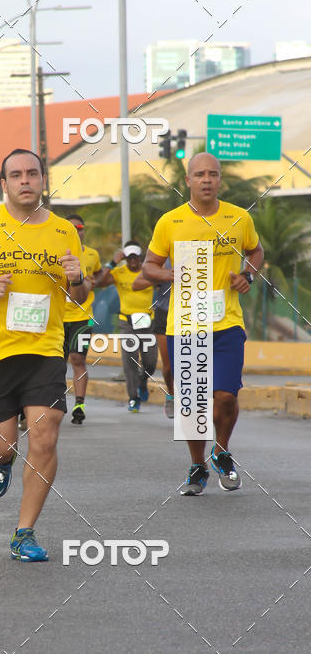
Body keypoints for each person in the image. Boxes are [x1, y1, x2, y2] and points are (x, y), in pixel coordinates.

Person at [0, 148, 86, 562]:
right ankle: (0, 460)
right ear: (4, 184)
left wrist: (78, 279)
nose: (26, 180)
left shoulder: (64, 231)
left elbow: (78, 295)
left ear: (43, 180)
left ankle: (24, 533)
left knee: (45, 433)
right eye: (17, 175)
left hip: (44, 348)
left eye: (33, 173)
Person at [142, 151, 263, 495]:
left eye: (212, 174)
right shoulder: (171, 221)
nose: (207, 180)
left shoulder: (239, 218)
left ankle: (221, 452)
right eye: (200, 174)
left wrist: (248, 276)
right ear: (188, 182)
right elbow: (149, 266)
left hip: (226, 323)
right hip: (185, 325)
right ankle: (198, 466)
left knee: (225, 396)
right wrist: (169, 274)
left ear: (219, 180)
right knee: (193, 403)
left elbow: (256, 251)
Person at [99, 242, 157, 411]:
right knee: (130, 361)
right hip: (127, 322)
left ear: (140, 258)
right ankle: (134, 398)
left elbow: (163, 285)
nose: (132, 260)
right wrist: (112, 263)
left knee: (150, 362)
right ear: (125, 257)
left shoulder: (148, 272)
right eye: (129, 257)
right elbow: (99, 282)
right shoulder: (119, 272)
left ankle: (143, 381)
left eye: (135, 257)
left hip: (146, 321)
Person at [62, 214, 103, 425]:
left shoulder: (92, 254)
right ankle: (56, 401)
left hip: (83, 317)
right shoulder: (55, 253)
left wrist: (95, 281)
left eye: (80, 228)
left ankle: (79, 404)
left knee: (77, 358)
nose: (78, 231)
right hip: (57, 318)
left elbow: (100, 273)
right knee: (56, 364)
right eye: (73, 228)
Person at [133, 264, 174, 417]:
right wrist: (163, 275)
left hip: (193, 312)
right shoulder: (165, 259)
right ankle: (171, 395)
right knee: (169, 367)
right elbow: (136, 284)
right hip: (165, 313)